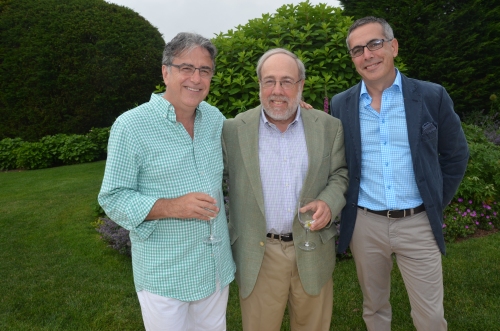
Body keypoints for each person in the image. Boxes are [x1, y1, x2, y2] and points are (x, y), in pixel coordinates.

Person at [330, 16, 469, 331]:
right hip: (366, 225)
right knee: (375, 309)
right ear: (353, 59)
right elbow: (335, 157)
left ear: (392, 46)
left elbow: (456, 154)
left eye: (375, 44)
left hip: (418, 223)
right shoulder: (341, 104)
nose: (368, 55)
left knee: (431, 317)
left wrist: (435, 199)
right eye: (357, 50)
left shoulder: (431, 96)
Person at [98, 32, 235, 331]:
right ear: (166, 71)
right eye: (186, 68)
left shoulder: (214, 119)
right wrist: (173, 206)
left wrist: (291, 113)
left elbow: (251, 140)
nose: (196, 79)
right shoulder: (131, 125)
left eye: (205, 70)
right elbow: (113, 197)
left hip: (214, 268)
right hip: (166, 275)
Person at [222, 48, 349, 331]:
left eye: (286, 81)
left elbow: (340, 174)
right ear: (259, 85)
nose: (277, 90)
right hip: (260, 254)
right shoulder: (233, 130)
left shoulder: (329, 127)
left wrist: (328, 202)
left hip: (313, 247)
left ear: (301, 85)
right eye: (269, 81)